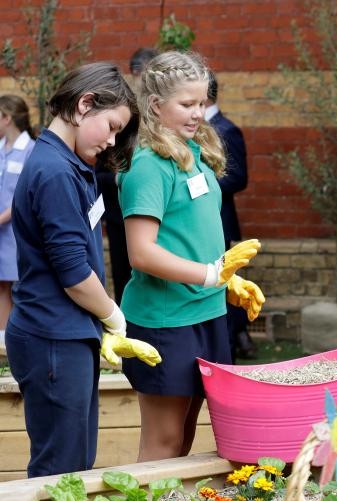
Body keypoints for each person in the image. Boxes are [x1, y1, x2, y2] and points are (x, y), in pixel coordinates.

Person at [5, 62, 159, 477]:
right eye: (110, 126)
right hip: (53, 334)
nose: (112, 141)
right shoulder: (54, 171)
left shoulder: (70, 164)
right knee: (62, 471)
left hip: (66, 332)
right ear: (84, 103)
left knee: (75, 464)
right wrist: (113, 317)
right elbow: (73, 273)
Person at [118, 50, 265, 462]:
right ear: (154, 104)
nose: (198, 113)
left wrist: (227, 279)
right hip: (167, 320)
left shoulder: (191, 154)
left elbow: (193, 234)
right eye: (187, 104)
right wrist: (210, 274)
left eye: (202, 102)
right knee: (163, 443)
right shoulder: (148, 164)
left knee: (184, 437)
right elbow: (142, 253)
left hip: (206, 312)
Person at [98, 47, 159, 304]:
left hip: (157, 211)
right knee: (125, 277)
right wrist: (118, 179)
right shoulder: (120, 114)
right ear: (135, 73)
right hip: (118, 212)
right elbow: (98, 166)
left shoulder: (162, 115)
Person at [205, 69, 256, 361]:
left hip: (221, 221)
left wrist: (202, 185)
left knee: (224, 286)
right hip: (203, 221)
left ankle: (231, 346)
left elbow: (239, 178)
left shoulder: (227, 129)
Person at [0, 95, 35, 351]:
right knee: (1, 285)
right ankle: (2, 343)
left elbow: (23, 193)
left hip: (14, 231)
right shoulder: (1, 148)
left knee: (18, 286)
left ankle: (17, 342)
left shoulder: (31, 149)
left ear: (7, 118)